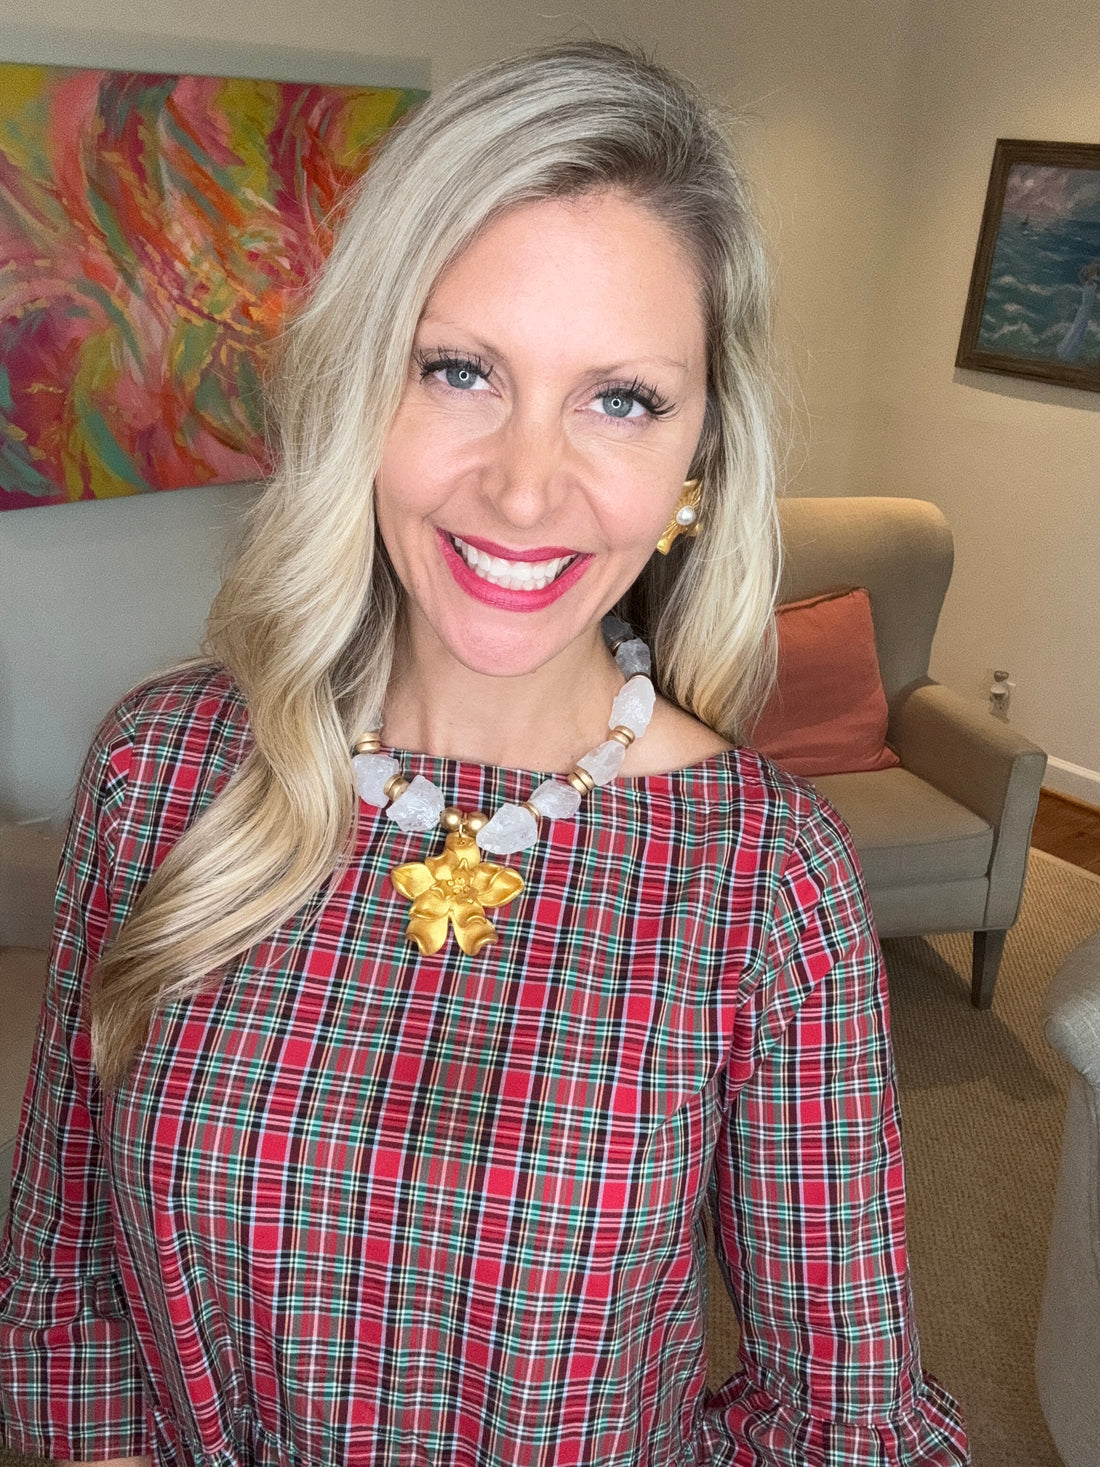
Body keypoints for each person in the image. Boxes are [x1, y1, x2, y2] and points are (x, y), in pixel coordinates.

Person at [0, 41, 971, 1467]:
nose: (524, 490)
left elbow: (844, 1418)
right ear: (359, 395)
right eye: (460, 371)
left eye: (621, 398)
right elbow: (68, 1274)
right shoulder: (162, 772)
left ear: (698, 456)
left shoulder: (767, 877)